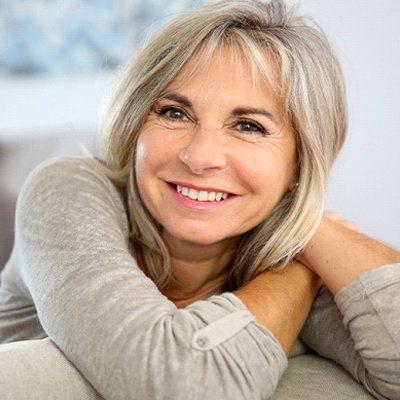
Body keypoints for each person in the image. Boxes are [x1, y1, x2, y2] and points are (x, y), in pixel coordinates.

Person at [0, 0, 399, 399]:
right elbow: (187, 385)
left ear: (299, 164)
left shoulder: (277, 243)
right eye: (175, 113)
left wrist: (314, 232)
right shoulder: (68, 190)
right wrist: (297, 275)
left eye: (248, 126)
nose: (200, 156)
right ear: (135, 123)